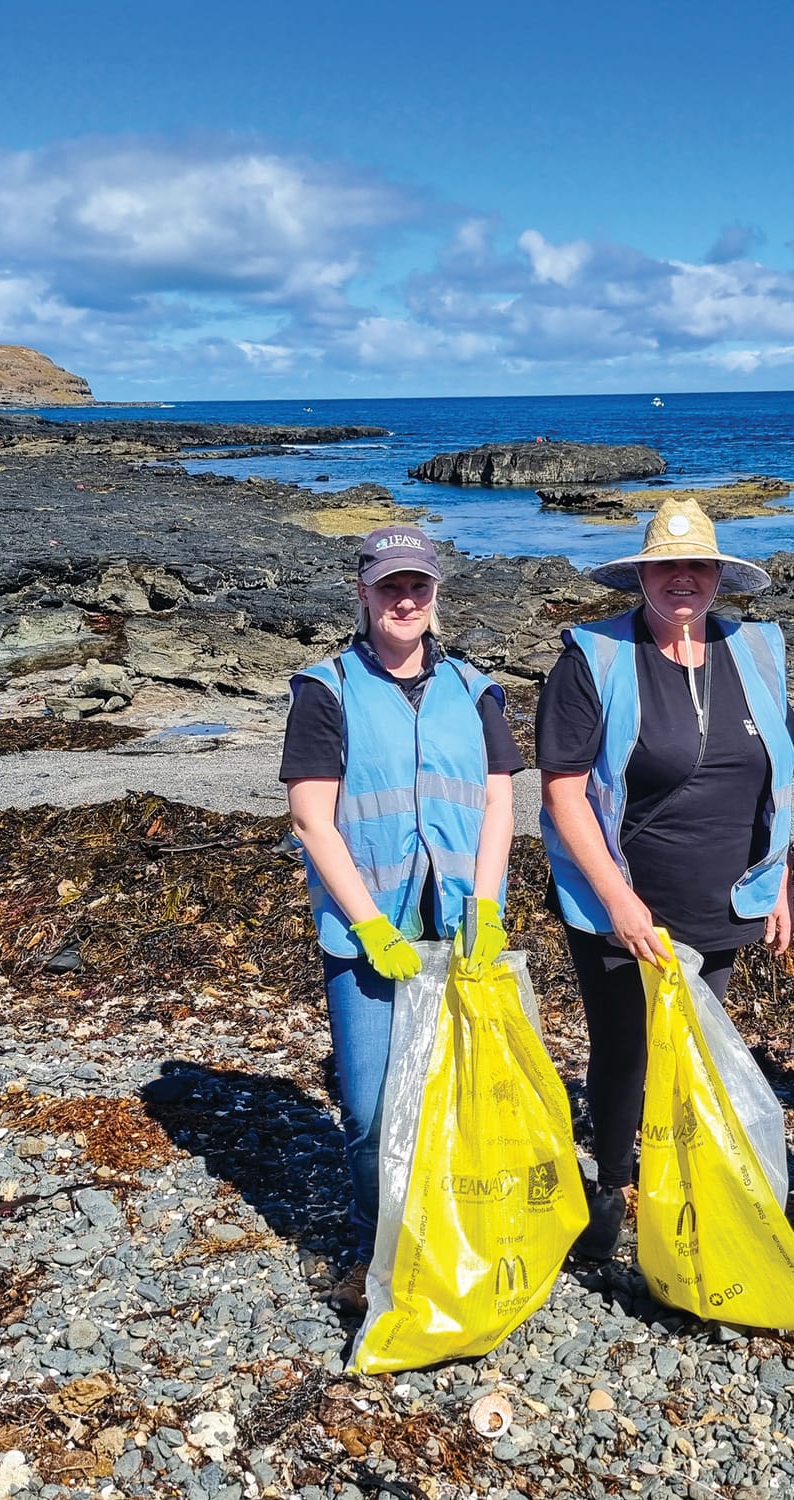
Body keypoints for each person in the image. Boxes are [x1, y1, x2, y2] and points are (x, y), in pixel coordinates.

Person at [536, 498, 794, 1261]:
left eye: (697, 566)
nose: (681, 578)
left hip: (725, 895)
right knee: (625, 1048)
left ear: (718, 576)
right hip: (618, 899)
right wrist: (620, 901)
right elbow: (561, 792)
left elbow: (779, 776)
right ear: (641, 577)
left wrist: (778, 879)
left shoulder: (757, 651)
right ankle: (611, 1180)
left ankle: (673, 1180)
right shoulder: (593, 659)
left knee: (692, 1050)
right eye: (666, 566)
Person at [280, 524, 523, 1313]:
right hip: (367, 937)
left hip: (458, 926)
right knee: (372, 1108)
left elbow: (498, 802)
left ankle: (451, 1237)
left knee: (459, 1097)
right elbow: (312, 819)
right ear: (364, 593)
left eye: (418, 585)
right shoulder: (326, 690)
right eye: (390, 586)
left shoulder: (474, 690)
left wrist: (486, 903)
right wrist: (370, 925)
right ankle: (376, 1248)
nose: (405, 600)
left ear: (435, 593)